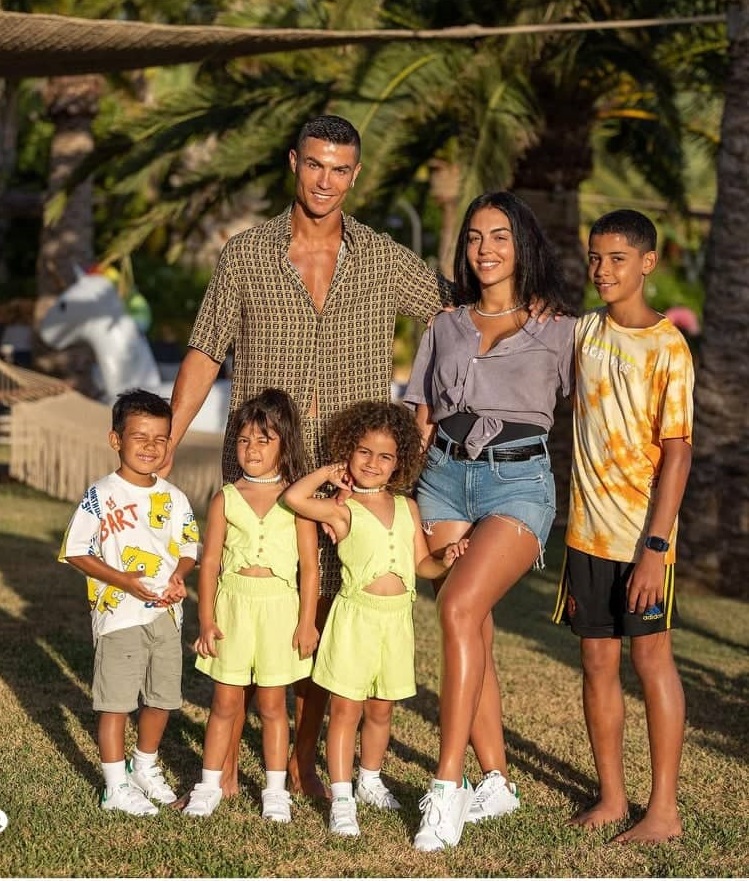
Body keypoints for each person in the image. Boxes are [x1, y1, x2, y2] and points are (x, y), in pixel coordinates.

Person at [162, 114, 452, 798]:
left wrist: (426, 409)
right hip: (264, 466)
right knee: (246, 598)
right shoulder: (245, 254)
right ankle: (222, 768)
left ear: (356, 174)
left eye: (340, 169)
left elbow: (456, 317)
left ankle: (299, 760)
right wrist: (166, 442)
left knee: (326, 612)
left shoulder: (382, 257)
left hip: (349, 473)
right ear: (294, 162)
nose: (326, 180)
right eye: (315, 164)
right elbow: (205, 350)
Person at [402, 191, 578, 851]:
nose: (484, 249)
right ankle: (497, 781)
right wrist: (398, 491)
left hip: (518, 483)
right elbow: (422, 415)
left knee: (456, 607)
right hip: (443, 479)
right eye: (474, 237)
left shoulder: (559, 329)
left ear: (522, 243)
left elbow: (605, 399)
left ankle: (447, 784)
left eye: (499, 236)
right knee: (471, 624)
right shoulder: (444, 325)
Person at [552, 209, 693, 844]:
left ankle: (663, 810)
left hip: (644, 540)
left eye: (617, 258)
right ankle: (611, 798)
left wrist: (655, 549)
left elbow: (678, 454)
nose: (603, 270)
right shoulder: (583, 332)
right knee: (596, 661)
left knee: (651, 658)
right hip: (586, 534)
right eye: (596, 257)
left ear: (647, 263)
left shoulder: (668, 347)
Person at [283, 401, 468, 838]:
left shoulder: (408, 508)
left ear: (398, 461)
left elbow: (422, 565)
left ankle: (369, 778)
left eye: (385, 456)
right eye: (363, 451)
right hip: (356, 621)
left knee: (382, 711)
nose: (372, 463)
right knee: (345, 711)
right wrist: (329, 474)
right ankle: (342, 799)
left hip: (396, 623)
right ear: (349, 451)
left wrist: (445, 559)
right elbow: (293, 498)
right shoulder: (341, 509)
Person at [59, 389, 199, 815]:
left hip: (166, 616)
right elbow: (75, 551)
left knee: (162, 699)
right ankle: (115, 787)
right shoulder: (101, 494)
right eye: (140, 437)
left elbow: (188, 547)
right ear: (116, 440)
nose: (150, 446)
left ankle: (144, 766)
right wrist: (122, 580)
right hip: (119, 615)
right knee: (117, 704)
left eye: (160, 439)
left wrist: (179, 576)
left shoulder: (174, 497)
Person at [182, 389, 319, 820]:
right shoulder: (225, 497)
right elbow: (209, 564)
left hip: (279, 611)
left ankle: (275, 792)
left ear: (285, 443)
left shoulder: (297, 501)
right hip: (234, 610)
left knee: (273, 707)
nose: (252, 449)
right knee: (225, 703)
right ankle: (208, 785)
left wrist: (307, 623)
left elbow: (310, 569)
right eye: (243, 440)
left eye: (264, 440)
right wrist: (206, 619)